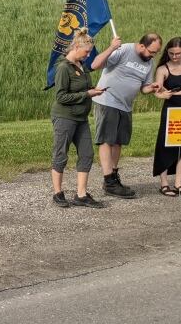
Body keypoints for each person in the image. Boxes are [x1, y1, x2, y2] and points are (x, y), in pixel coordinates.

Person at [92, 32, 162, 198]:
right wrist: (111, 47)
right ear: (142, 45)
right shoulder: (124, 50)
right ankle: (108, 181)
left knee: (118, 142)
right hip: (107, 100)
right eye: (151, 51)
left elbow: (144, 88)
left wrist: (151, 88)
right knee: (106, 140)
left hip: (125, 106)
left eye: (156, 53)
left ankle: (113, 178)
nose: (153, 55)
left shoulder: (148, 62)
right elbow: (95, 64)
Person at [50, 30, 112, 208]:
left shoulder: (81, 66)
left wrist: (94, 90)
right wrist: (87, 94)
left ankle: (81, 194)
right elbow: (61, 96)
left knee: (87, 153)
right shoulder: (63, 68)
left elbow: (82, 89)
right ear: (76, 47)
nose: (87, 55)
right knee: (61, 153)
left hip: (81, 118)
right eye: (86, 52)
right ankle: (57, 193)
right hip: (65, 117)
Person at [152, 36, 181, 196]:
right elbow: (157, 92)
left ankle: (179, 183)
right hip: (171, 110)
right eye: (171, 53)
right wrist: (162, 94)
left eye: (178, 53)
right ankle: (164, 183)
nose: (175, 56)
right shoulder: (163, 69)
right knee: (165, 146)